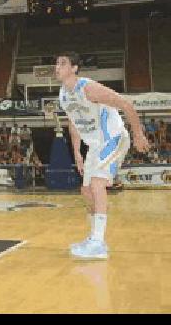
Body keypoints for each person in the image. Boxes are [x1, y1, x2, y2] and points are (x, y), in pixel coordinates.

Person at [55, 52, 149, 259]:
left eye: (62, 63)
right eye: (56, 63)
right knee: (86, 191)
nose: (57, 67)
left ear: (75, 68)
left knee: (97, 184)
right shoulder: (63, 95)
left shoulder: (88, 88)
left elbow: (126, 104)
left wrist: (138, 135)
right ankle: (94, 237)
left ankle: (98, 243)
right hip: (95, 145)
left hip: (113, 138)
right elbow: (74, 124)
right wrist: (78, 153)